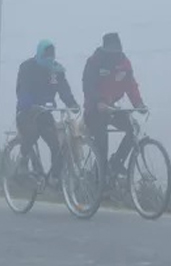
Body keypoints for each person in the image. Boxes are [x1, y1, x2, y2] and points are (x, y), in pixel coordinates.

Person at [82, 32, 147, 176]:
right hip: (94, 109)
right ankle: (100, 179)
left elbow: (131, 85)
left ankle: (117, 162)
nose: (114, 55)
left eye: (117, 52)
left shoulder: (124, 63)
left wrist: (139, 103)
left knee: (132, 130)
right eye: (111, 52)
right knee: (102, 142)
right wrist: (98, 101)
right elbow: (88, 85)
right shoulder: (95, 61)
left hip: (111, 108)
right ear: (105, 50)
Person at [15, 40, 79, 183]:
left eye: (52, 55)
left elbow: (63, 89)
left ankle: (55, 178)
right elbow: (23, 88)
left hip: (44, 113)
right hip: (26, 112)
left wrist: (72, 103)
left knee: (56, 145)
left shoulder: (54, 73)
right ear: (40, 53)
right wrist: (27, 102)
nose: (49, 58)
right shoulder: (27, 68)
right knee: (31, 133)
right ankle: (23, 160)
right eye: (46, 54)